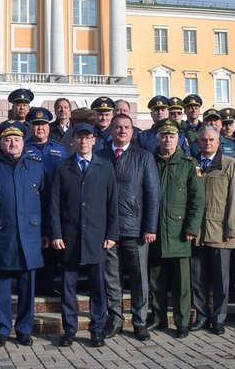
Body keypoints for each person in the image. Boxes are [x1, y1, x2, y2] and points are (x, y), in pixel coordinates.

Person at [50, 122, 118, 348]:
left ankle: (96, 330)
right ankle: (69, 329)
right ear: (73, 140)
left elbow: (112, 204)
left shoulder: (105, 166)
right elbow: (55, 204)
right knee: (68, 288)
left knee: (97, 287)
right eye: (79, 137)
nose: (83, 141)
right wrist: (56, 233)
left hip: (97, 237)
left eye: (87, 137)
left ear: (94, 140)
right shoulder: (63, 167)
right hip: (69, 236)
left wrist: (111, 233)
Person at [0, 121, 45, 348]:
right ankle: (1, 329)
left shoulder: (36, 166)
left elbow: (46, 203)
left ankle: (24, 329)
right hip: (2, 236)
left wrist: (46, 233)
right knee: (1, 288)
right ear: (0, 143)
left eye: (16, 139)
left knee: (28, 286)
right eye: (7, 140)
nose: (12, 143)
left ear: (23, 143)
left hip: (30, 235)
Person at [96, 113, 160, 341]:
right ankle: (115, 320)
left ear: (133, 132)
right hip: (109, 230)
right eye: (118, 127)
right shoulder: (100, 155)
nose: (122, 131)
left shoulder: (144, 157)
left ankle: (140, 321)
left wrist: (150, 227)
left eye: (126, 127)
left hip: (136, 228)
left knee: (139, 278)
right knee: (111, 277)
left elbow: (153, 195)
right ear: (111, 130)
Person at [147, 118, 204, 339]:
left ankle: (181, 322)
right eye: (163, 136)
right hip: (156, 230)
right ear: (158, 138)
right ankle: (159, 317)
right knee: (156, 279)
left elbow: (197, 199)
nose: (167, 140)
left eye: (171, 136)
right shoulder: (150, 160)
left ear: (179, 138)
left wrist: (192, 227)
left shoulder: (190, 163)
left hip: (180, 231)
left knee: (182, 283)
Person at [189, 125, 235, 335]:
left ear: (219, 142)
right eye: (203, 140)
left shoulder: (230, 165)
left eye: (212, 140)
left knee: (221, 280)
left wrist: (232, 229)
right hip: (197, 232)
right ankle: (202, 315)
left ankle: (219, 318)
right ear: (198, 142)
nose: (207, 143)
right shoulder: (192, 164)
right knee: (198, 278)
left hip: (220, 231)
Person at [23, 107, 66, 296]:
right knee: (33, 243)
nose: (39, 128)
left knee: (52, 245)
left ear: (49, 127)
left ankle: (48, 284)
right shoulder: (23, 147)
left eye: (43, 125)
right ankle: (33, 285)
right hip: (30, 203)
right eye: (36, 125)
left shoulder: (59, 148)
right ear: (30, 127)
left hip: (53, 202)